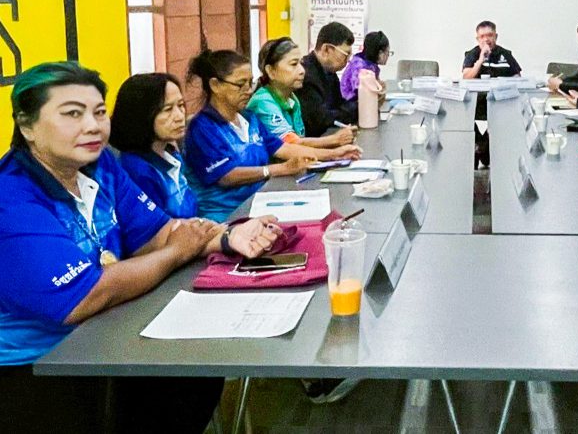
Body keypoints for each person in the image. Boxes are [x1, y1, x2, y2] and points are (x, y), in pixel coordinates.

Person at [0, 62, 282, 433]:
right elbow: (82, 297)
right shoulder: (12, 196)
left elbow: (160, 232)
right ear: (27, 126)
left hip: (108, 332)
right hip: (39, 365)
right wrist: (179, 252)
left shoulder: (100, 168)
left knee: (195, 377)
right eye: (72, 113)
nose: (92, 125)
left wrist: (227, 238)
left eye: (99, 112)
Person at [183, 48, 360, 222]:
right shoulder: (203, 128)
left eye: (250, 83)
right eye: (240, 84)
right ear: (215, 85)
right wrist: (279, 169)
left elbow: (283, 148)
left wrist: (335, 154)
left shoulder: (248, 118)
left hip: (260, 203)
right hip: (228, 216)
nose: (248, 90)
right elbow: (226, 176)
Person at [247, 37, 358, 153]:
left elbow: (300, 140)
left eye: (301, 63)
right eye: (294, 64)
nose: (302, 70)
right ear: (271, 71)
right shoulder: (263, 102)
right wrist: (334, 140)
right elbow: (289, 143)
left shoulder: (291, 98)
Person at [109, 73, 198, 218]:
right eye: (167, 109)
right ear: (141, 114)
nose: (179, 116)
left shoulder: (170, 154)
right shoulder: (138, 171)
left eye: (181, 105)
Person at [296, 22, 356, 137]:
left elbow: (339, 105)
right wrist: (355, 109)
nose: (348, 60)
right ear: (326, 50)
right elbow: (322, 120)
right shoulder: (306, 76)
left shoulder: (329, 71)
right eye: (345, 54)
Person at [338, 31, 391, 118]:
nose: (388, 56)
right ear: (380, 53)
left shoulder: (368, 64)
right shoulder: (361, 67)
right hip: (351, 111)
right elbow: (364, 96)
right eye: (387, 52)